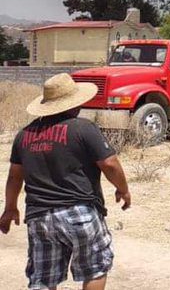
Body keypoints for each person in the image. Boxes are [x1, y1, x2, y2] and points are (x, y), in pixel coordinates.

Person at [1, 73, 131, 290]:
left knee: (44, 279)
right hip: (79, 211)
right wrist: (123, 189)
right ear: (74, 104)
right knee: (95, 268)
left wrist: (10, 208)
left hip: (39, 217)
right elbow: (110, 164)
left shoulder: (24, 135)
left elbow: (15, 176)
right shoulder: (83, 128)